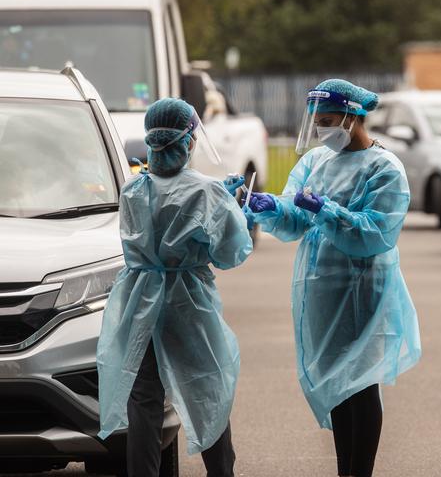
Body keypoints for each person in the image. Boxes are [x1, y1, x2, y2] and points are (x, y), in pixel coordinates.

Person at [245, 79, 421, 477]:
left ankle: (361, 471)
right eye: (318, 122)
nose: (323, 130)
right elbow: (295, 219)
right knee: (337, 384)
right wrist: (268, 206)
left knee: (361, 382)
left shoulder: (384, 168)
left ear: (352, 117)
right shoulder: (314, 162)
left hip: (363, 286)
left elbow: (375, 234)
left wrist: (326, 209)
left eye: (328, 121)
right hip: (320, 286)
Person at [96, 98, 252, 476]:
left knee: (144, 401)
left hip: (140, 302)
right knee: (207, 392)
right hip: (188, 304)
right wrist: (232, 208)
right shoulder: (206, 193)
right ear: (189, 141)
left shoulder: (133, 189)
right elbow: (231, 253)